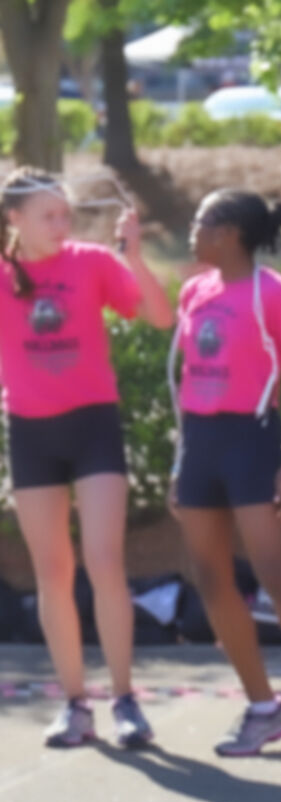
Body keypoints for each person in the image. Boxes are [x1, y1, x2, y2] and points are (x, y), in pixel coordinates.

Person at [168, 189, 281, 756]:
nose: (191, 233)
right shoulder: (194, 291)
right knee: (210, 576)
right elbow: (192, 379)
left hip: (251, 440)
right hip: (201, 442)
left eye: (200, 224)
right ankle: (263, 707)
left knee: (274, 573)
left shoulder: (276, 295)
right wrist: (181, 463)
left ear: (228, 233)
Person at [0, 167, 172, 748]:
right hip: (30, 434)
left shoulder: (91, 262)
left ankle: (124, 700)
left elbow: (158, 315)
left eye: (64, 213)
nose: (61, 224)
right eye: (47, 215)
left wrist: (134, 255)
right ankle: (75, 703)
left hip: (93, 427)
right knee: (52, 572)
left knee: (103, 562)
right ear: (14, 220)